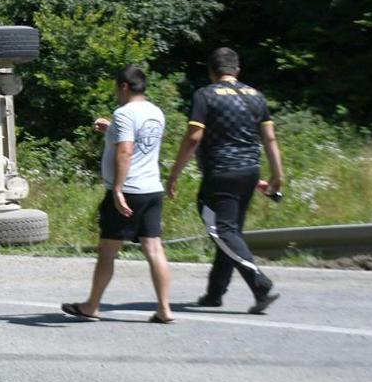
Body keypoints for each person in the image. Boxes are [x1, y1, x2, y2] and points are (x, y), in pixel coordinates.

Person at [165, 47, 285, 313]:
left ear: (212, 71)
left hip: (220, 172)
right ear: (237, 70)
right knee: (230, 232)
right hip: (250, 172)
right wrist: (278, 175)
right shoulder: (256, 96)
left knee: (223, 231)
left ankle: (260, 284)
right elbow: (269, 138)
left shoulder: (205, 95)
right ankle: (214, 293)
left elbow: (194, 138)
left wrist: (174, 174)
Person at [62, 66, 174, 323]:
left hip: (129, 190)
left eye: (116, 87)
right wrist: (111, 129)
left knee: (108, 250)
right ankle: (165, 309)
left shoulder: (124, 113)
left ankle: (91, 306)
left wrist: (118, 189)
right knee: (154, 248)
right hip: (152, 189)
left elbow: (126, 151)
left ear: (124, 86)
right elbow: (142, 140)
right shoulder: (156, 112)